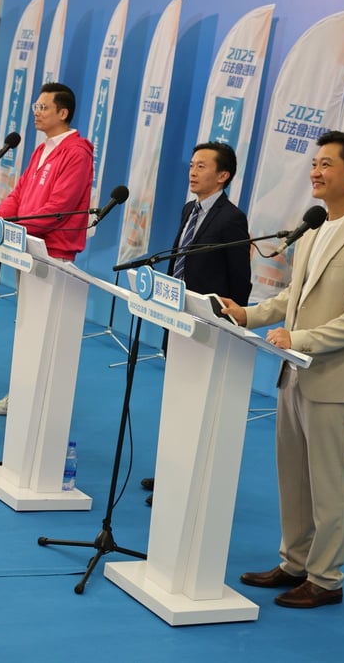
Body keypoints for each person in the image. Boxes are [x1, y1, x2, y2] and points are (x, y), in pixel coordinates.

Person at [220, 130, 344, 609]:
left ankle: (326, 578)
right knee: (292, 474)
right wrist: (249, 313)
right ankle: (294, 562)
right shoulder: (316, 226)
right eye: (314, 163)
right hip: (294, 370)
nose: (315, 172)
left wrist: (299, 339)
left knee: (328, 483)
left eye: (327, 165)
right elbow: (292, 297)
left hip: (336, 378)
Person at [0, 82, 94, 415]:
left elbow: (59, 208)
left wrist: (8, 230)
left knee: (42, 330)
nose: (36, 114)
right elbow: (18, 195)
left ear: (62, 113)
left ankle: (35, 400)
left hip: (52, 252)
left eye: (43, 108)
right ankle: (22, 395)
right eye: (35, 108)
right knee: (27, 325)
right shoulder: (42, 149)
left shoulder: (76, 152)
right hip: (27, 246)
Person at [141, 141, 253, 505]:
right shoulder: (190, 209)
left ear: (223, 175)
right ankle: (170, 471)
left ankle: (189, 478)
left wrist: (231, 323)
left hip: (207, 323)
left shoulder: (232, 218)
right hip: (176, 314)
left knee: (198, 402)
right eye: (191, 165)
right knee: (176, 396)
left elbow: (240, 279)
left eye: (202, 166)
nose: (192, 171)